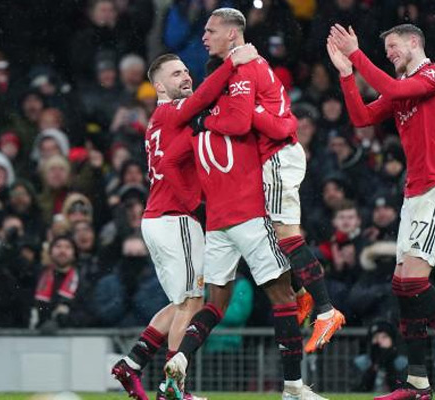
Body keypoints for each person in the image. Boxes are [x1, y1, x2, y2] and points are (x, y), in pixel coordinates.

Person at [161, 9, 326, 400]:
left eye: (209, 31)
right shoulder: (238, 115)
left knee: (215, 304)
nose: (204, 36)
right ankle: (294, 387)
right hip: (250, 215)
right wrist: (286, 124)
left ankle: (181, 358)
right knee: (283, 300)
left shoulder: (194, 123)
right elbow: (275, 127)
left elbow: (169, 164)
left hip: (216, 222)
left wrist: (194, 202)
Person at [328, 23, 435, 399]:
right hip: (414, 195)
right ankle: (417, 383)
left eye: (394, 46)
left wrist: (356, 54)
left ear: (414, 42)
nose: (389, 54)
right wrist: (347, 75)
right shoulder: (401, 87)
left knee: (414, 282)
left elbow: (395, 90)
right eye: (386, 50)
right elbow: (361, 118)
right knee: (402, 286)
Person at [192, 6, 345, 353]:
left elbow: (239, 123)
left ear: (232, 33)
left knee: (285, 235)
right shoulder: (247, 67)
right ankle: (304, 295)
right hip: (275, 154)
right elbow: (274, 119)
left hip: (277, 156)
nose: (204, 37)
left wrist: (205, 121)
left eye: (211, 31)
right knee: (273, 235)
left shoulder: (244, 69)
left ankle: (325, 310)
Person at [110, 45, 259, 400]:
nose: (186, 77)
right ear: (160, 87)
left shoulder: (159, 120)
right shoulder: (172, 111)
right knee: (192, 303)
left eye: (186, 71)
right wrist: (231, 65)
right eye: (176, 74)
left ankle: (131, 364)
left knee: (183, 302)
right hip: (175, 218)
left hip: (160, 218)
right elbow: (205, 98)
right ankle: (173, 389)